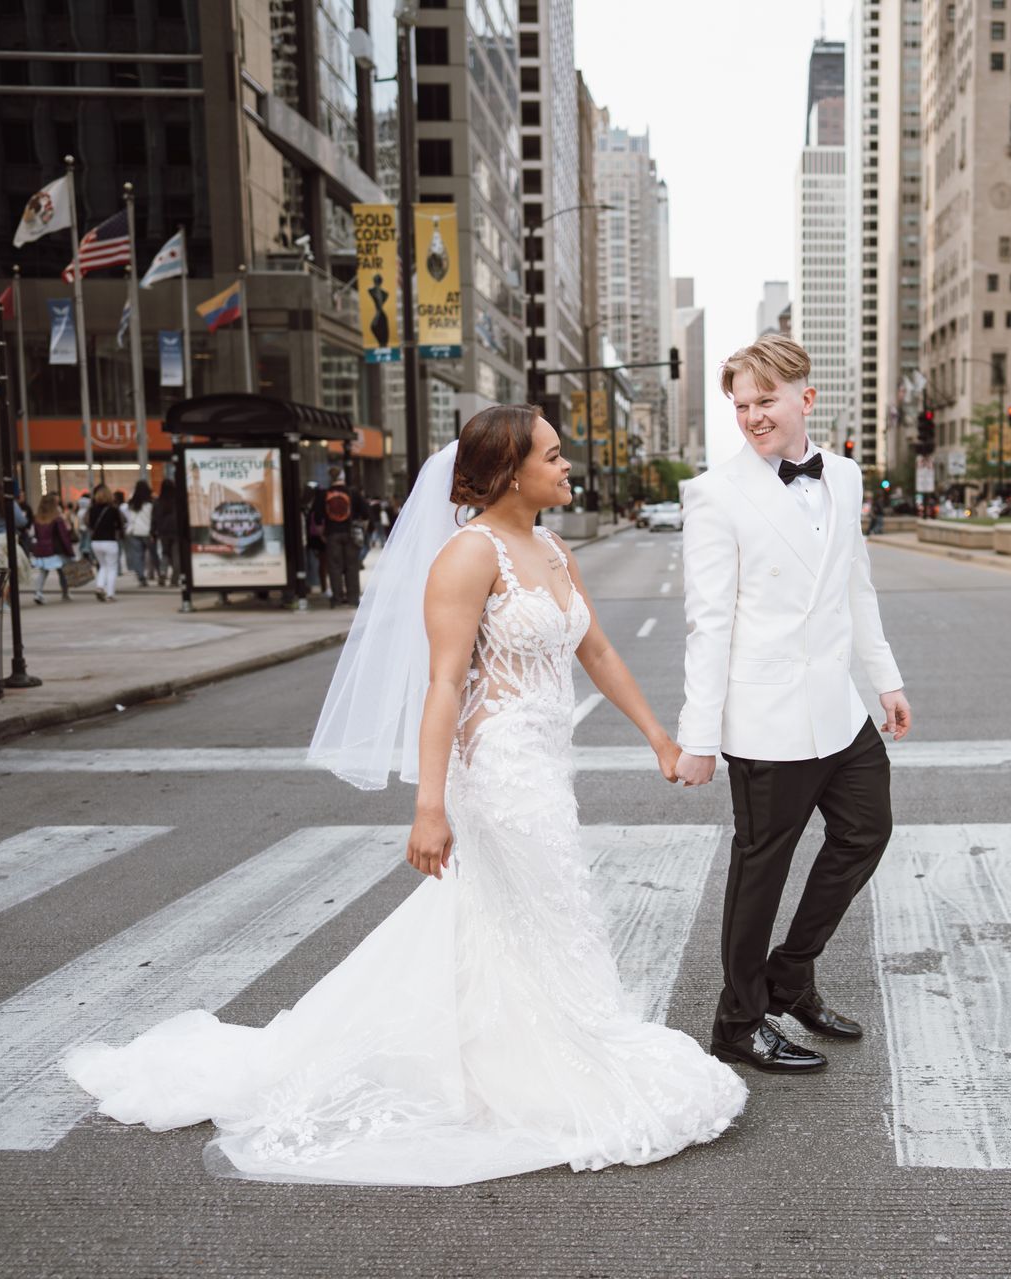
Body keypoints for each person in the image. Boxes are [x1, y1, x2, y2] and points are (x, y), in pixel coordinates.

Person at [65, 405, 744, 1185]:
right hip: (496, 772)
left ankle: (510, 1052)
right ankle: (556, 1064)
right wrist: (430, 804)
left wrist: (657, 735)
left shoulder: (554, 548)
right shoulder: (468, 554)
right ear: (508, 470)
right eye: (553, 456)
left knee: (518, 919)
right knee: (556, 906)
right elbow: (445, 684)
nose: (567, 466)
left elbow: (594, 648)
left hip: (547, 764)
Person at [674, 333, 912, 1074]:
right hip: (765, 719)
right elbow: (708, 623)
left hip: (838, 711)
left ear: (805, 397)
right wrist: (698, 735)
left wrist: (885, 679)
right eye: (740, 404)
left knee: (866, 831)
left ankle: (791, 973)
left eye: (764, 400)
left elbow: (854, 585)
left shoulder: (843, 476)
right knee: (761, 870)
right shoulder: (715, 495)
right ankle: (737, 1022)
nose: (751, 416)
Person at [319, 470, 363, 606]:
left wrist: (322, 532)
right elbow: (366, 513)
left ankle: (337, 598)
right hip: (350, 533)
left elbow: (318, 515)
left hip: (332, 533)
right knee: (352, 566)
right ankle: (353, 598)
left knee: (334, 567)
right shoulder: (353, 493)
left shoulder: (324, 494)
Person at [29, 494, 77, 604]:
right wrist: (69, 551)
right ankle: (65, 593)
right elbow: (63, 536)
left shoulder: (38, 518)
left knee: (43, 572)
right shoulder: (57, 519)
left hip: (42, 548)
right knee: (62, 572)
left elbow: (36, 535)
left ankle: (38, 593)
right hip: (56, 549)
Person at [86, 484, 122, 602]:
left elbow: (90, 525)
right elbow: (119, 525)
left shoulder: (92, 509)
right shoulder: (113, 509)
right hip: (110, 541)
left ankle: (100, 586)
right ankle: (110, 594)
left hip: (96, 542)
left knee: (103, 566)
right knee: (112, 568)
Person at [151, 479, 180, 587]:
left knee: (165, 553)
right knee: (177, 556)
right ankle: (175, 579)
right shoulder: (178, 501)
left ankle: (162, 572)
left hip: (163, 533)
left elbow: (154, 519)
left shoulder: (158, 502)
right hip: (176, 533)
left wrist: (153, 532)